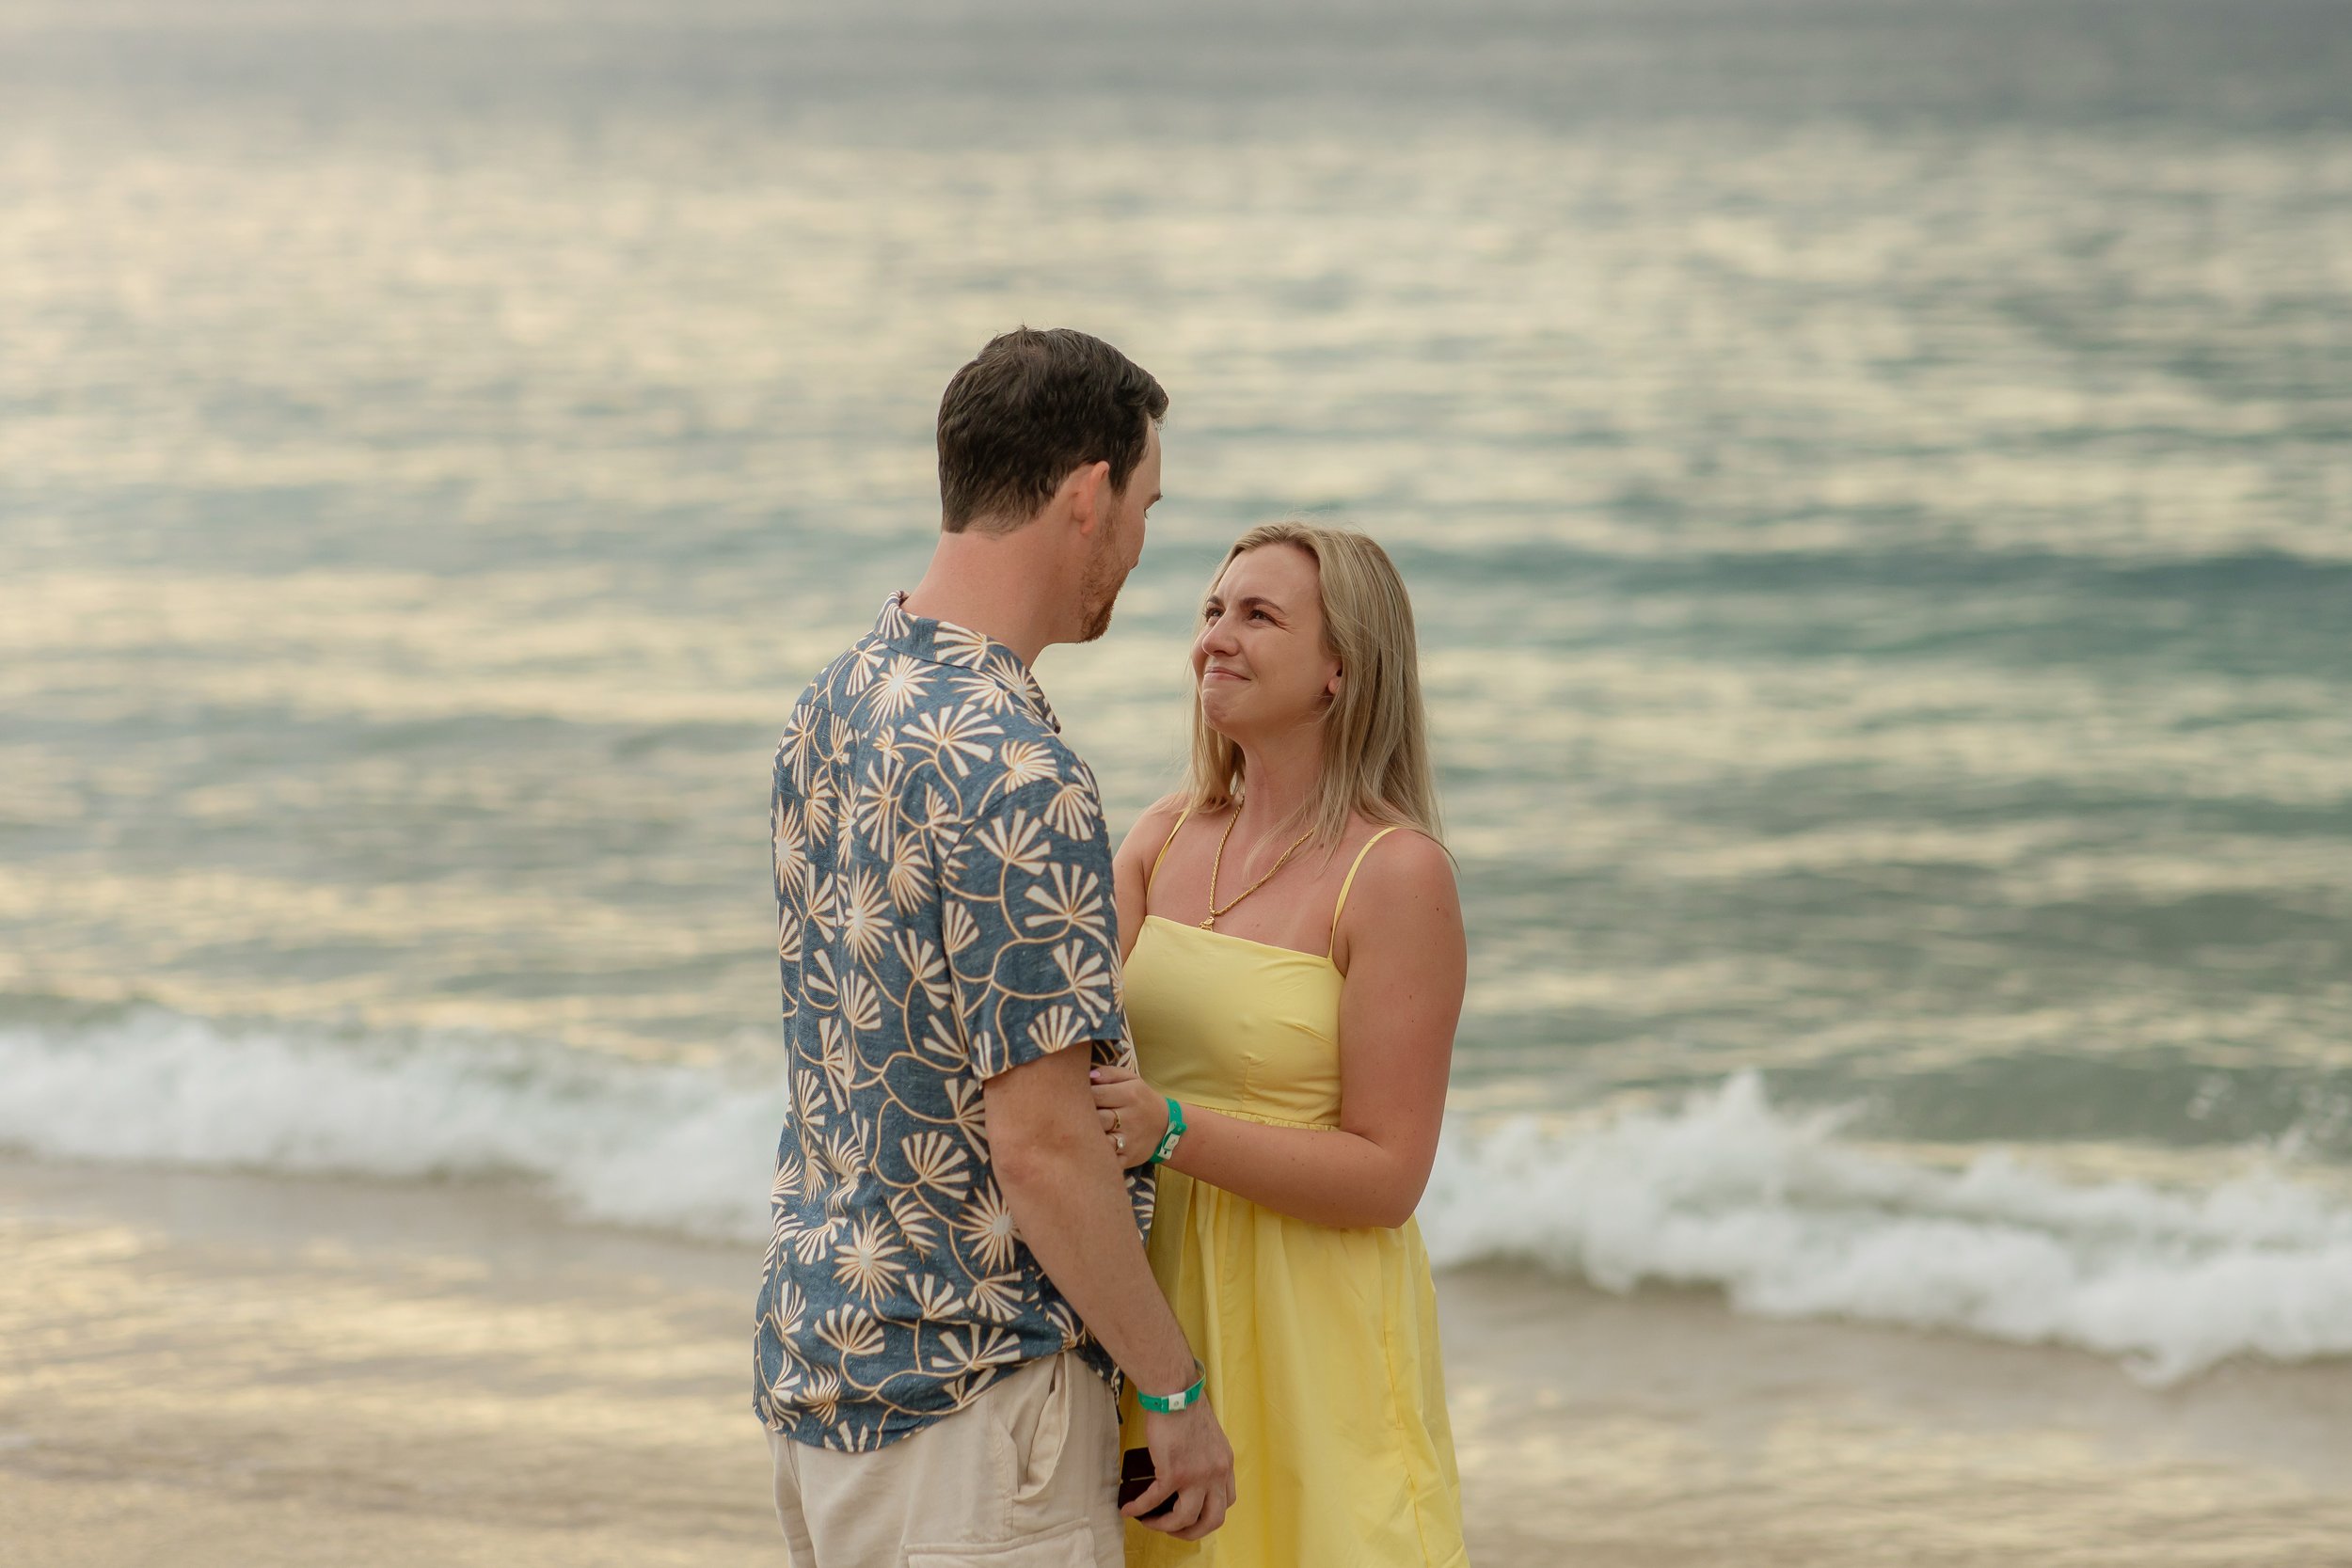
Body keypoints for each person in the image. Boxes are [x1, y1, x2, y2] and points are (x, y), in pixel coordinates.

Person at [753, 327, 1237, 1567]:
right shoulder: (1017, 767)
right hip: (980, 1405)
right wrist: (1173, 1390)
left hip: (826, 1365)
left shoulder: (839, 698)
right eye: (1144, 504)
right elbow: (1043, 1140)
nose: (1139, 546)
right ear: (1088, 494)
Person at [1089, 521, 1470, 1567]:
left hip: (1317, 1326)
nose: (1217, 636)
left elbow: (1389, 1174)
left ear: (1339, 668)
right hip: (1157, 1309)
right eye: (1213, 610)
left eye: (1259, 615)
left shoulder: (1395, 874)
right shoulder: (1159, 835)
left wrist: (1169, 1125)